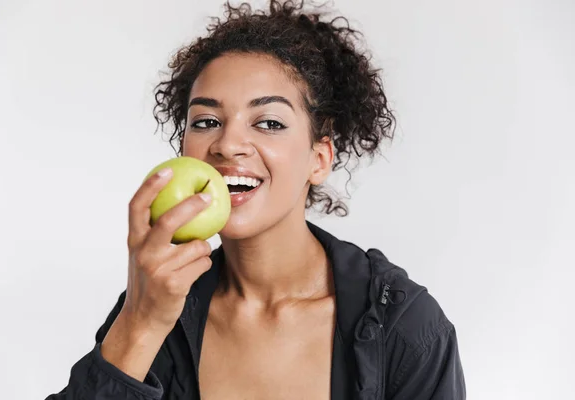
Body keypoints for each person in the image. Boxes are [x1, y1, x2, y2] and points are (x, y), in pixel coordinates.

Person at [46, 1, 466, 399]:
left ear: (318, 159)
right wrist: (139, 323)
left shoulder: (404, 326)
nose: (228, 144)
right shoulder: (156, 309)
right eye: (207, 121)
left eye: (268, 122)